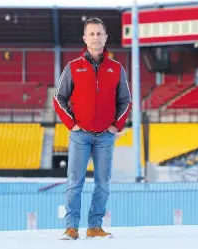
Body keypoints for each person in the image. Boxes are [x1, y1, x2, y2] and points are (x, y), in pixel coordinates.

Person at [53, 17, 132, 240]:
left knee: (103, 184)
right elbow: (59, 98)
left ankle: (95, 227)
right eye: (92, 34)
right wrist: (72, 124)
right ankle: (71, 227)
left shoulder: (116, 69)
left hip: (105, 136)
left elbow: (125, 100)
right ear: (85, 38)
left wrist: (116, 125)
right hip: (81, 135)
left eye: (99, 34)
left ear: (105, 38)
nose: (96, 38)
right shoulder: (73, 67)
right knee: (74, 182)